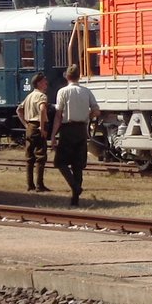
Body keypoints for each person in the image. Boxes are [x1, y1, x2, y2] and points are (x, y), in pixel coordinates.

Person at [49, 64, 100, 207]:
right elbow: (97, 111)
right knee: (78, 165)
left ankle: (75, 188)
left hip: (68, 129)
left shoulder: (63, 92)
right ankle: (75, 200)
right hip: (81, 129)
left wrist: (53, 135)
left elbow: (58, 115)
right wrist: (88, 115)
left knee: (60, 162)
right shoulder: (86, 91)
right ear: (79, 76)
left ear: (67, 76)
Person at [14, 72, 51, 192]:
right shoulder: (42, 96)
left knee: (29, 157)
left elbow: (19, 110)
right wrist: (42, 127)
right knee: (40, 156)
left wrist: (25, 124)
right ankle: (40, 185)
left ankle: (30, 184)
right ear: (39, 83)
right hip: (38, 125)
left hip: (30, 126)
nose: (46, 84)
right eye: (45, 82)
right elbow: (42, 110)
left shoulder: (29, 96)